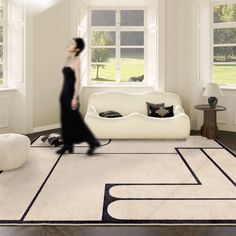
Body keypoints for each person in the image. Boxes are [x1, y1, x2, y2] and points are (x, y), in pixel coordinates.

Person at [56, 38, 101, 155]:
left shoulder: (77, 61)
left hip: (71, 95)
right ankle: (68, 145)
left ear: (77, 48)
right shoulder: (68, 60)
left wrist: (75, 97)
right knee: (65, 121)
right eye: (69, 42)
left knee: (77, 121)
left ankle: (93, 142)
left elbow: (78, 81)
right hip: (64, 94)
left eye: (72, 43)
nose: (69, 44)